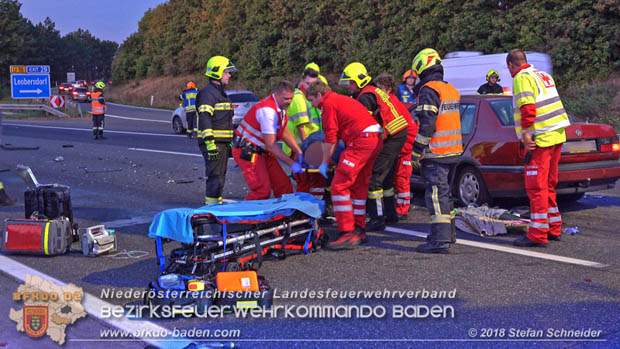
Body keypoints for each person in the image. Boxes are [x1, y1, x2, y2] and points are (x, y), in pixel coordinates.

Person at [306, 81, 383, 250]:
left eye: (312, 101)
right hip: (374, 139)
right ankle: (359, 228)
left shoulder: (328, 104)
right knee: (358, 187)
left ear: (319, 95)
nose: (314, 106)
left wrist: (324, 163)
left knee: (338, 186)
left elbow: (331, 139)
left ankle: (347, 232)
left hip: (361, 141)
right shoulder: (341, 99)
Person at [507, 49, 570, 247]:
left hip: (540, 139)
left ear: (511, 65)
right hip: (557, 135)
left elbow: (528, 109)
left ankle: (538, 234)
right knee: (549, 185)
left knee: (536, 188)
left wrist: (526, 134)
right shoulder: (543, 74)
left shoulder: (521, 78)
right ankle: (553, 227)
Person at [340, 62, 409, 232]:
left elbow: (362, 125)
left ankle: (377, 218)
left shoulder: (365, 97)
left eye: (351, 82)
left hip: (392, 136)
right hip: (396, 134)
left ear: (358, 80)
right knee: (385, 177)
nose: (349, 86)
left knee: (374, 176)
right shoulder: (371, 91)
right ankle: (390, 214)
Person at [410, 48, 463, 254]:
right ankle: (447, 234)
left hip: (437, 152)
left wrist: (416, 150)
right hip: (454, 151)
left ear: (423, 67)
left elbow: (427, 124)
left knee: (435, 195)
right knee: (445, 195)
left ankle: (440, 241)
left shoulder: (429, 90)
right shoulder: (449, 88)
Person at [233, 80, 304, 200]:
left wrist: (299, 151)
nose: (289, 102)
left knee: (284, 186)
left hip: (262, 151)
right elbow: (271, 145)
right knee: (262, 191)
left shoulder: (279, 108)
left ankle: (283, 215)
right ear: (276, 95)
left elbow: (284, 131)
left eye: (291, 99)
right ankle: (246, 217)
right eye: (286, 98)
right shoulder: (267, 111)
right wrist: (291, 164)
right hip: (248, 151)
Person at [374, 74, 419, 220]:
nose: (377, 92)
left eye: (380, 88)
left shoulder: (391, 102)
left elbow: (407, 129)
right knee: (394, 178)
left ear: (387, 89)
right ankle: (395, 207)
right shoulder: (390, 101)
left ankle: (402, 209)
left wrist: (401, 150)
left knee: (401, 178)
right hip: (401, 146)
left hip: (405, 147)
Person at [196, 56, 236, 205]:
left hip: (222, 143)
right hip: (213, 143)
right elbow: (205, 118)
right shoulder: (208, 94)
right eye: (227, 72)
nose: (229, 75)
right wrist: (210, 143)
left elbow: (226, 121)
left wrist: (230, 140)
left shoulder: (221, 94)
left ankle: (216, 207)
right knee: (215, 177)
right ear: (217, 72)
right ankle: (211, 212)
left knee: (220, 177)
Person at [285, 68, 325, 200]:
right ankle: (304, 213)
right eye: (308, 84)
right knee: (305, 181)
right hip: (300, 147)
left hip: (310, 145)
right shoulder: (298, 98)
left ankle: (314, 210)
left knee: (315, 181)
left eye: (313, 84)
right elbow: (302, 130)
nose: (310, 87)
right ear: (301, 81)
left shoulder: (308, 97)